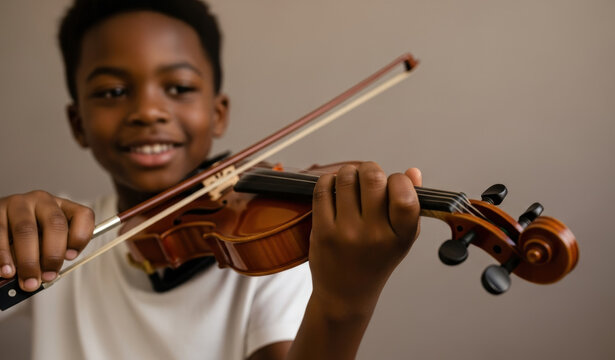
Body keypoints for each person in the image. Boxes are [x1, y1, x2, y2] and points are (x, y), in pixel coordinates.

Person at [0, 0, 422, 359]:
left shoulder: (271, 258)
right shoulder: (57, 243)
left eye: (179, 88)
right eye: (112, 91)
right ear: (78, 124)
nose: (148, 111)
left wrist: (344, 302)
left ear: (217, 113)